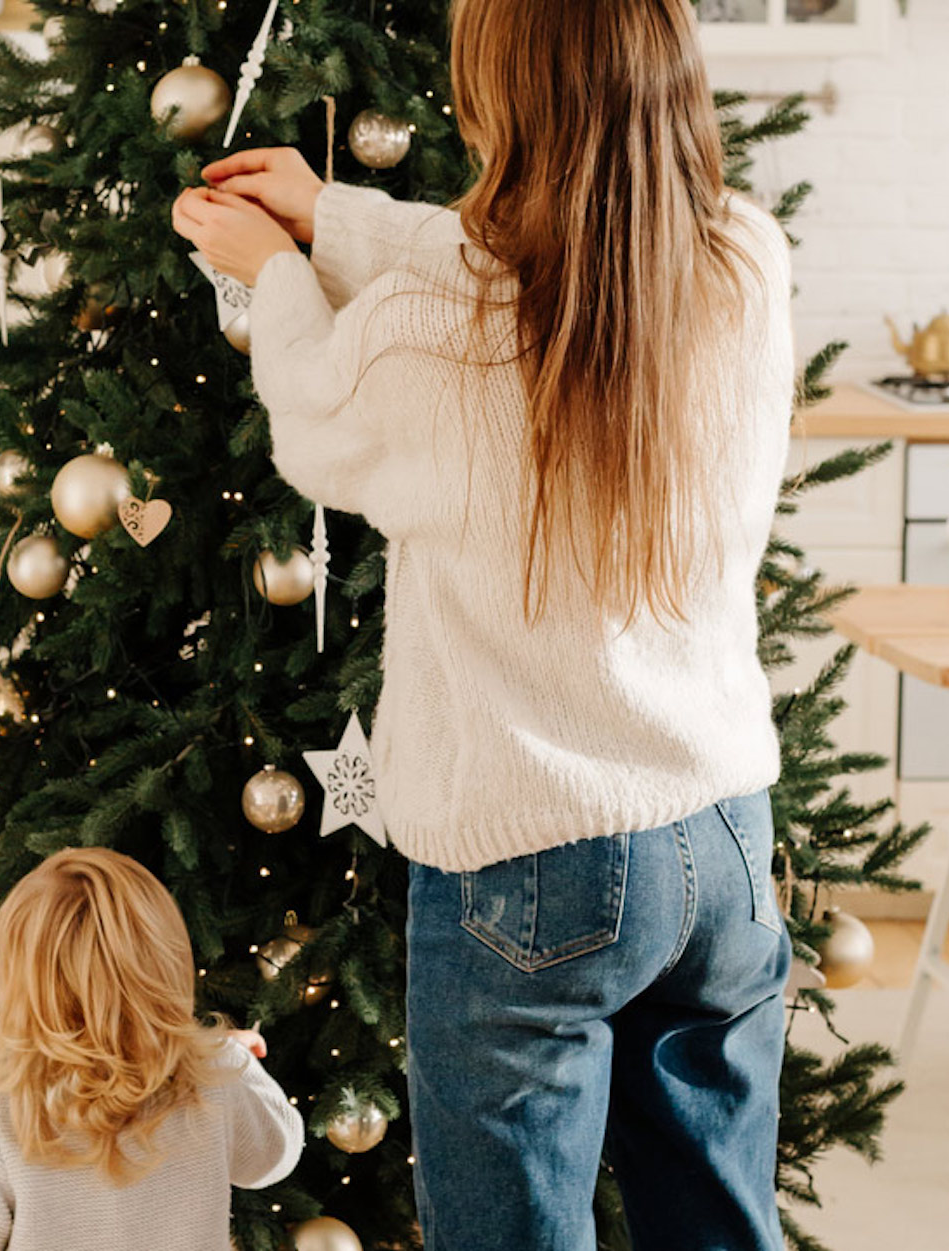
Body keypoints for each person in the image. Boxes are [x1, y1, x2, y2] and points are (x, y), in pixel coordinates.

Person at [172, 0, 794, 1246]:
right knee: (720, 1226)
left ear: (503, 98)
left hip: (531, 853)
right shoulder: (737, 259)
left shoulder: (431, 344)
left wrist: (275, 273)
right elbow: (526, 267)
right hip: (721, 833)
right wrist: (328, 211)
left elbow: (315, 407)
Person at [0, 848, 303, 1251]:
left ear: (19, 990)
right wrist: (229, 1061)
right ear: (167, 967)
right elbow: (272, 1158)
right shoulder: (212, 1081)